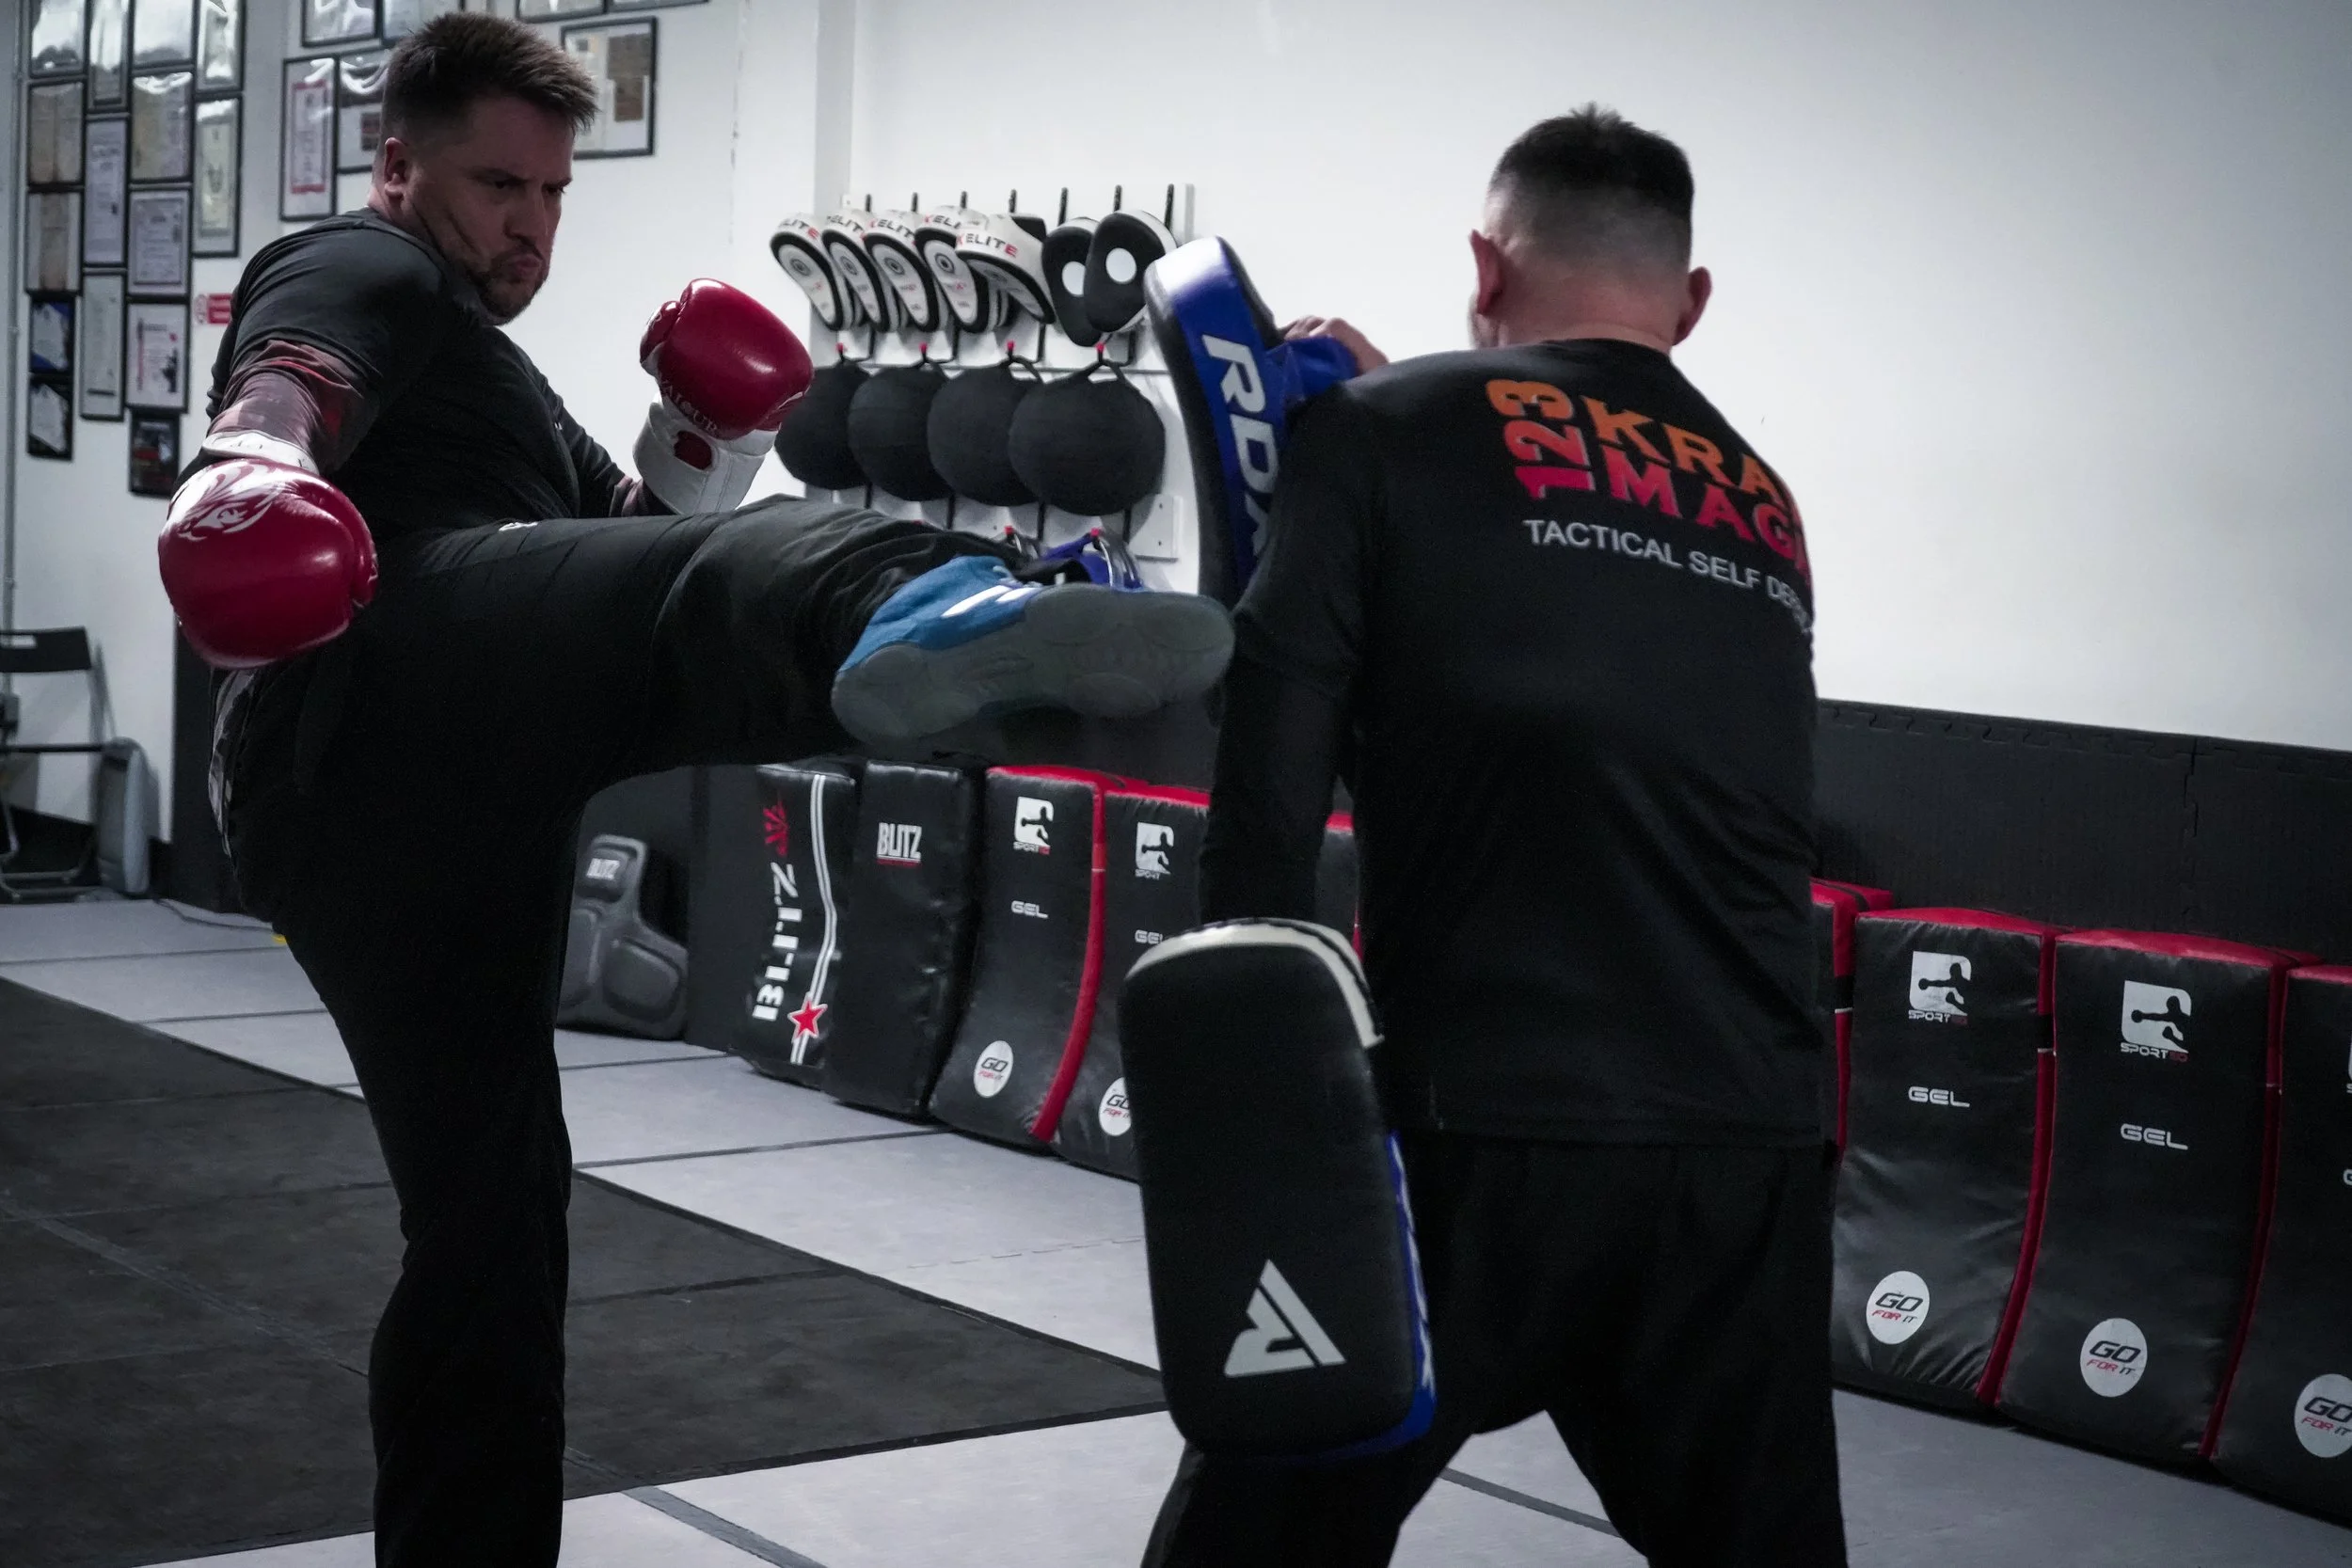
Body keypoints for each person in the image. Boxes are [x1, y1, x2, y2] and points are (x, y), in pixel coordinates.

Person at [155, 16, 1228, 1565]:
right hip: (380, 683)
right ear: (395, 167)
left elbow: (629, 542)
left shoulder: (501, 384)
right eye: (497, 186)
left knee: (493, 1224)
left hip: (427, 818)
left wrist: (700, 436)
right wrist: (248, 471)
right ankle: (915, 592)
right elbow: (291, 375)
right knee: (742, 573)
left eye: (553, 193)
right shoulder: (365, 266)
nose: (530, 226)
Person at [1149, 107, 1845, 1566]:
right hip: (1745, 1134)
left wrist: (1248, 1098)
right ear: (1691, 301)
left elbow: (1272, 782)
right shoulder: (1764, 501)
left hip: (1474, 1130)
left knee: (1263, 1542)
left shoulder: (1381, 435)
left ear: (1484, 264)